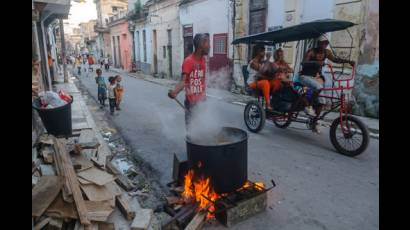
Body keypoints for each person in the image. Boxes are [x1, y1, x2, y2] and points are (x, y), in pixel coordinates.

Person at [300, 35, 355, 133]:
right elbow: (303, 63)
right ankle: (308, 106)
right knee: (319, 87)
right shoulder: (311, 51)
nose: (324, 45)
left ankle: (314, 122)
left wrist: (348, 61)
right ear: (318, 44)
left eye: (326, 43)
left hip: (316, 77)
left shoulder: (327, 52)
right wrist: (315, 63)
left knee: (322, 102)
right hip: (305, 77)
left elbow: (335, 60)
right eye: (322, 43)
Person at [168, 33, 210, 132]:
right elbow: (183, 81)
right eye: (207, 43)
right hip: (191, 103)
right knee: (192, 132)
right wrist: (175, 92)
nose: (209, 46)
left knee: (203, 131)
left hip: (202, 101)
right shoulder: (188, 61)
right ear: (201, 45)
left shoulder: (203, 60)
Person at [246, 45, 277, 111]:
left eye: (264, 51)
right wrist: (268, 60)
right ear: (258, 52)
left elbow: (270, 70)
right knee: (265, 83)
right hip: (252, 83)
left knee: (276, 82)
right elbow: (262, 70)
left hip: (260, 82)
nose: (264, 53)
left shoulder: (263, 62)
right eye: (263, 51)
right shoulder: (253, 62)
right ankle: (268, 105)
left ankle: (274, 102)